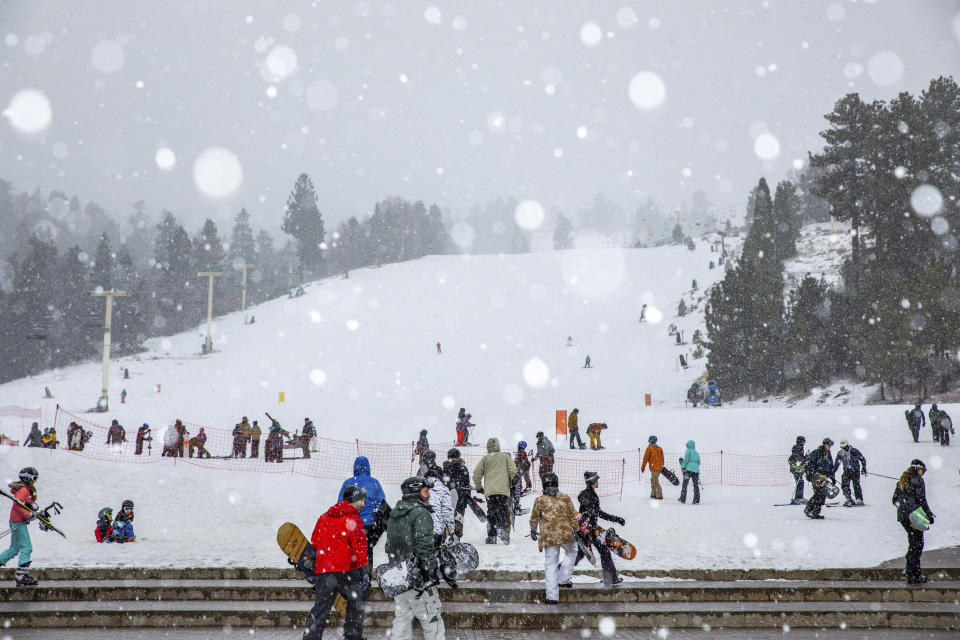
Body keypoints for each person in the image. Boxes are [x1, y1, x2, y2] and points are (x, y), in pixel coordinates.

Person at [303, 485, 369, 640]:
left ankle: (311, 637)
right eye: (361, 500)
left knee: (321, 608)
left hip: (325, 571)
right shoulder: (353, 519)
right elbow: (359, 546)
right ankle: (352, 636)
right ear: (354, 500)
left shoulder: (324, 516)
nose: (364, 504)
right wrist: (363, 569)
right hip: (346, 571)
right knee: (356, 603)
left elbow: (315, 542)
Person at [385, 476, 445, 640]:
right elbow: (424, 547)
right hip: (418, 577)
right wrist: (429, 572)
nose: (429, 495)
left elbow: (390, 546)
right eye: (425, 492)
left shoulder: (394, 514)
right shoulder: (420, 513)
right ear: (415, 493)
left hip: (399, 576)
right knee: (433, 620)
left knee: (402, 620)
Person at [529, 471, 578, 604]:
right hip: (566, 533)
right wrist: (576, 529)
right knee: (572, 551)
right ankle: (563, 579)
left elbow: (534, 518)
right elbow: (572, 516)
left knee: (551, 564)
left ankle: (552, 597)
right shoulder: (565, 498)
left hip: (549, 536)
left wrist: (533, 530)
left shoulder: (539, 500)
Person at [575, 471, 623, 586]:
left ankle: (559, 574)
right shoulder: (587, 495)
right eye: (596, 481)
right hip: (588, 530)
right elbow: (585, 509)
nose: (598, 483)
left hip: (590, 529)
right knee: (603, 552)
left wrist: (615, 519)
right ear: (591, 482)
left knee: (585, 554)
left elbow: (598, 513)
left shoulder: (591, 494)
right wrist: (588, 511)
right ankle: (611, 578)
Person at [339, 456, 387, 569]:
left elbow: (340, 503)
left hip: (352, 524)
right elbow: (382, 502)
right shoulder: (375, 483)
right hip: (369, 524)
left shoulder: (348, 482)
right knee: (367, 550)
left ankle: (353, 575)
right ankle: (366, 576)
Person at [892, 459, 935, 584]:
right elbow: (921, 500)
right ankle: (913, 573)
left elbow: (894, 500)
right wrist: (928, 515)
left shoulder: (901, 481)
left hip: (903, 517)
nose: (923, 473)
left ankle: (911, 570)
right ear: (918, 469)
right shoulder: (918, 480)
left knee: (913, 542)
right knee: (917, 544)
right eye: (923, 471)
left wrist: (903, 509)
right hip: (914, 516)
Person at [473, 437, 517, 545]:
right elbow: (513, 472)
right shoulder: (505, 457)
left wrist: (478, 487)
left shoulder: (485, 458)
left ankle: (492, 536)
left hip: (491, 492)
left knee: (491, 513)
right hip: (503, 491)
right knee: (502, 511)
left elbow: (476, 474)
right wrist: (513, 483)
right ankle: (503, 532)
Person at [0, 467, 40, 587]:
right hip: (17, 522)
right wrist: (28, 515)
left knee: (14, 549)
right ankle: (21, 576)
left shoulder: (25, 489)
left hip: (16, 521)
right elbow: (18, 505)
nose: (35, 481)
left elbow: (24, 504)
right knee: (27, 548)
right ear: (28, 478)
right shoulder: (24, 490)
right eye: (34, 478)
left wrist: (32, 509)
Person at [419, 451, 455, 546]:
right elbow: (447, 511)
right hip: (437, 529)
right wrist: (451, 530)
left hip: (421, 528)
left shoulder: (421, 486)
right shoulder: (442, 487)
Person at [804, 438, 836, 520]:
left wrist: (832, 477)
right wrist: (813, 474)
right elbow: (809, 464)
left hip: (824, 478)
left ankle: (816, 513)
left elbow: (830, 466)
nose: (829, 447)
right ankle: (808, 509)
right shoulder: (816, 452)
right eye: (828, 445)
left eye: (830, 445)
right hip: (816, 477)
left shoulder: (828, 454)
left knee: (823, 495)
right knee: (818, 494)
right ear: (824, 444)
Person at [443, 448, 472, 538]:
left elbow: (444, 483)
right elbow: (467, 482)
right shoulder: (463, 468)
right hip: (462, 496)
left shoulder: (446, 469)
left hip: (449, 496)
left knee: (449, 515)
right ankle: (458, 533)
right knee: (459, 515)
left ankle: (448, 534)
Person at [834, 440, 868, 506]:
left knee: (856, 484)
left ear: (847, 445)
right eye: (842, 447)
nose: (843, 448)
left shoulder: (854, 451)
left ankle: (859, 499)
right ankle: (848, 499)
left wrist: (864, 467)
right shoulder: (840, 453)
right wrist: (832, 472)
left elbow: (862, 459)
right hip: (846, 471)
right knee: (844, 484)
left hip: (855, 471)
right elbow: (836, 464)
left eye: (845, 447)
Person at [641, 435, 664, 499]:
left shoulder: (649, 448)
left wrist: (643, 467)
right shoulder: (660, 448)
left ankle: (659, 495)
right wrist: (661, 466)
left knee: (655, 481)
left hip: (654, 468)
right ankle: (653, 494)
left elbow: (645, 458)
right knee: (653, 480)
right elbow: (662, 458)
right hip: (659, 468)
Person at [678, 440, 701, 504]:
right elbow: (699, 462)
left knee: (685, 484)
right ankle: (696, 499)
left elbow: (685, 460)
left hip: (688, 470)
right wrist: (694, 465)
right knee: (695, 485)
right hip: (696, 471)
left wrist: (682, 467)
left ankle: (682, 498)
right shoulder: (696, 452)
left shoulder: (688, 451)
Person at [788, 436, 807, 504]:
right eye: (803, 441)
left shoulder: (799, 447)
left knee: (800, 482)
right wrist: (804, 459)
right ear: (800, 441)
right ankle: (798, 498)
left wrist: (805, 457)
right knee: (800, 482)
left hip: (797, 467)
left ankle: (799, 497)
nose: (804, 442)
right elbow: (798, 457)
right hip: (796, 467)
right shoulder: (798, 447)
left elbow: (800, 457)